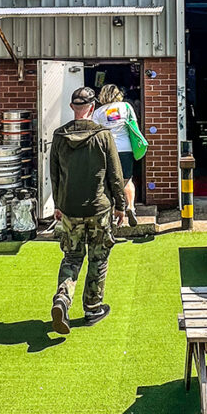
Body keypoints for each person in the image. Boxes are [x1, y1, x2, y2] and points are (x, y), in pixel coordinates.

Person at [50, 86, 126, 335]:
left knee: (71, 257)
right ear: (93, 108)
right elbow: (116, 175)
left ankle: (63, 297)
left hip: (70, 208)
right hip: (99, 208)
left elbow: (55, 176)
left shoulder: (59, 136)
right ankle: (93, 307)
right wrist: (121, 206)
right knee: (99, 257)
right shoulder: (103, 136)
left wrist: (59, 205)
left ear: (73, 107)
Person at [92, 83, 141, 226]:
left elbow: (95, 133)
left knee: (109, 181)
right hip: (126, 149)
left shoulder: (98, 112)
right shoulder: (126, 107)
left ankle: (114, 212)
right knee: (127, 180)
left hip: (107, 150)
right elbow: (134, 128)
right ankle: (130, 206)